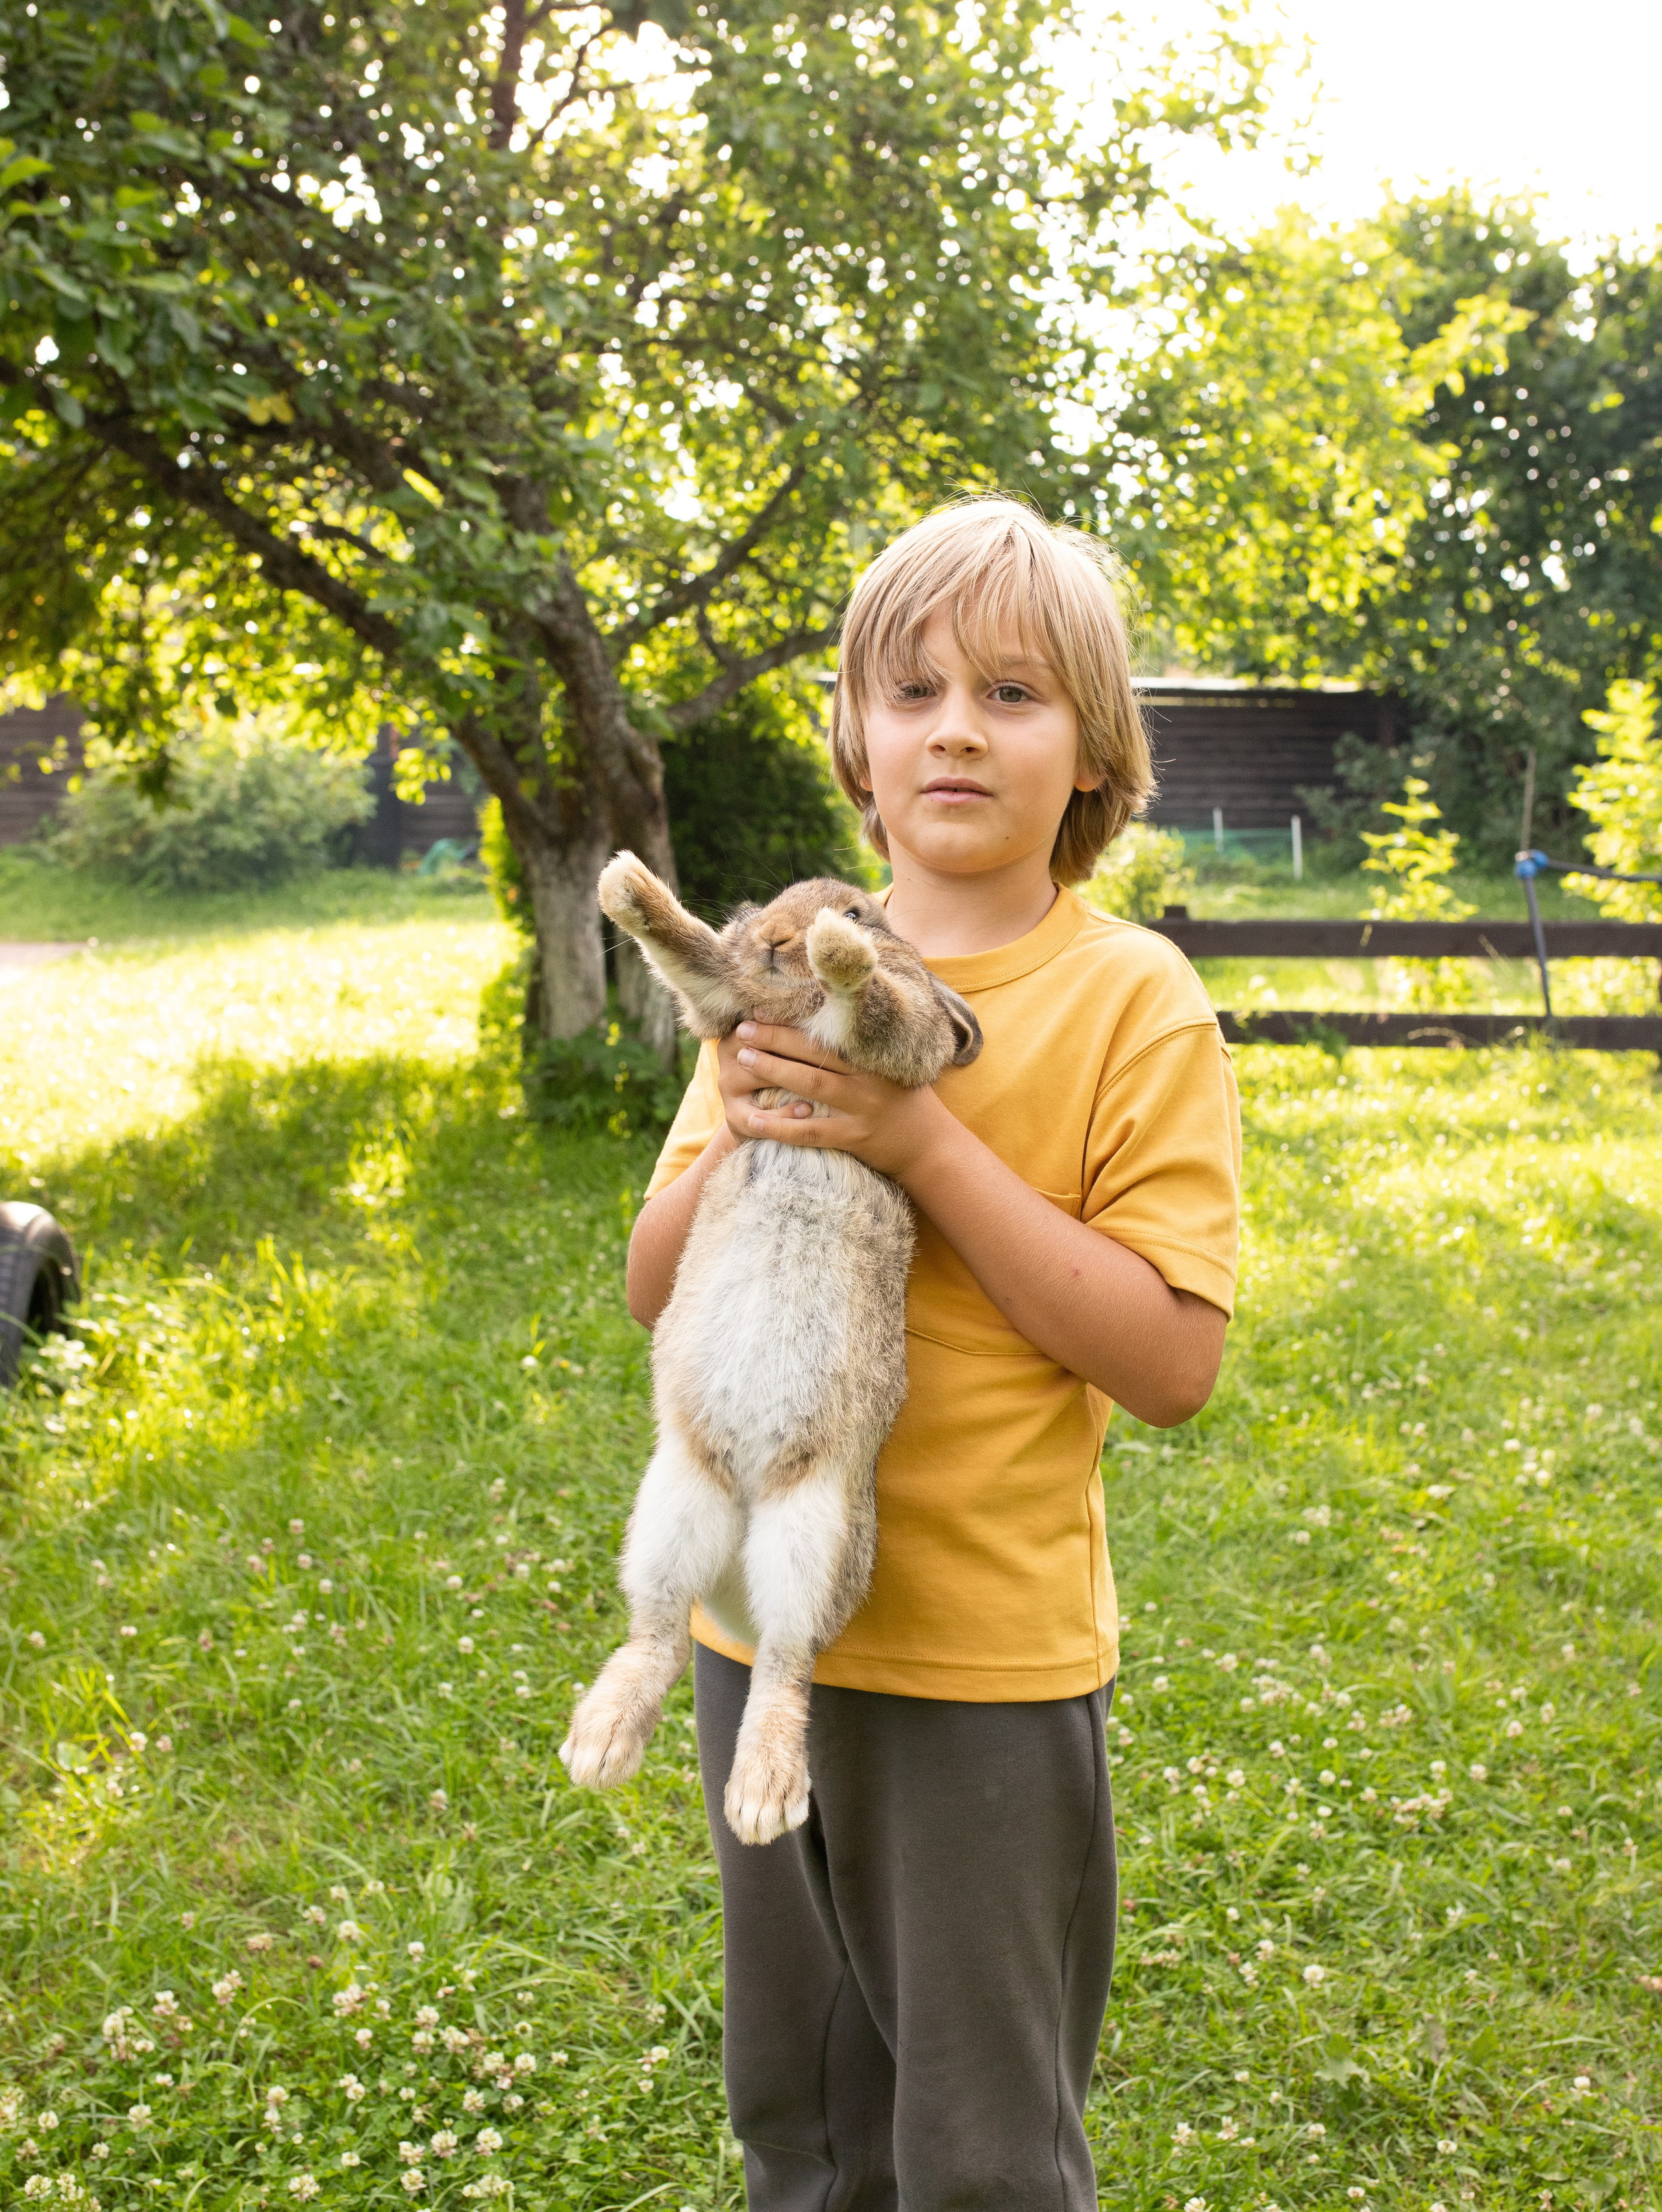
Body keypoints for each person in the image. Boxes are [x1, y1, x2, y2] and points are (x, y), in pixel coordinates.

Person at [624, 497, 1241, 2210]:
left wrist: (922, 1147)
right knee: (801, 2117)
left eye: (1015, 693)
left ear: (1095, 754)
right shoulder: (779, 976)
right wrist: (748, 1111)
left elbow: (1172, 1360)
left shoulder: (1132, 1002)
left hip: (982, 1668)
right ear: (856, 739)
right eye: (913, 691)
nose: (957, 724)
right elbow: (653, 1282)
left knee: (975, 2148)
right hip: (763, 1628)